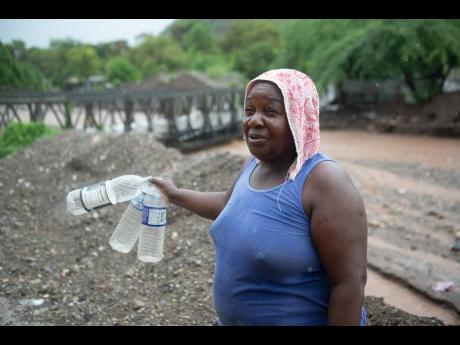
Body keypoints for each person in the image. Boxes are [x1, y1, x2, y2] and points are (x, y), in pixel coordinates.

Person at [150, 69, 368, 326]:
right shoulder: (254, 165)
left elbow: (348, 283)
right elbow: (227, 204)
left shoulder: (324, 182)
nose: (254, 120)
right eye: (249, 110)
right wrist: (175, 194)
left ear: (298, 117)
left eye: (270, 111)